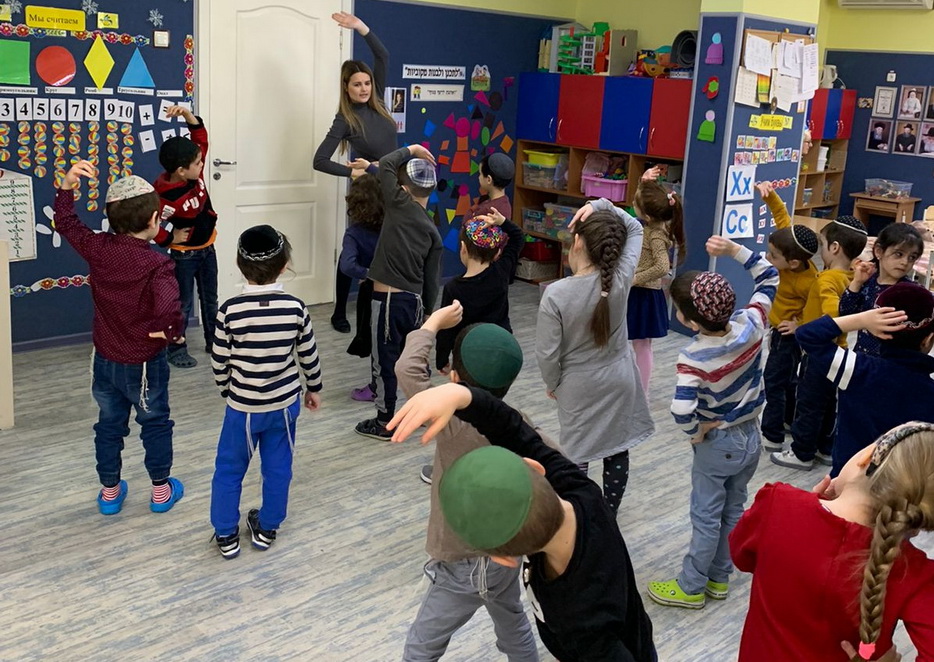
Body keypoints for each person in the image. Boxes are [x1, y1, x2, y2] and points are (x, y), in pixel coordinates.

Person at [387, 383, 657, 662]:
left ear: (502, 558)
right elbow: (510, 428)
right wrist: (460, 395)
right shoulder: (579, 488)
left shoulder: (581, 624)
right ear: (535, 466)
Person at [394, 309, 539, 662]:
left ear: (455, 380)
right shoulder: (519, 426)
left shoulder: (454, 423)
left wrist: (432, 323)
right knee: (513, 625)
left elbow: (407, 369)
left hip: (464, 564)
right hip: (508, 555)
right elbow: (558, 464)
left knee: (421, 646)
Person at [648, 235, 779, 609]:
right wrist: (734, 251)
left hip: (717, 444)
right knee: (733, 510)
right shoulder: (752, 322)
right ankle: (720, 578)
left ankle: (691, 586)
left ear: (689, 321)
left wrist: (695, 432)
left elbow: (681, 408)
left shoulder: (693, 357)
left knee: (706, 516)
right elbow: (769, 276)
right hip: (751, 437)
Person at [731, 422, 934, 662]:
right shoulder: (915, 572)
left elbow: (740, 556)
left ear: (866, 458)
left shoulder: (776, 504)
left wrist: (808, 503)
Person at [55, 161, 185, 515]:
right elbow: (171, 310)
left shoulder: (97, 248)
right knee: (154, 423)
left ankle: (110, 492)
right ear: (155, 220)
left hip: (106, 360)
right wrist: (171, 331)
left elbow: (66, 223)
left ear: (112, 219)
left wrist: (67, 185)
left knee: (109, 426)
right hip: (145, 365)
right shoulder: (157, 264)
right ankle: (161, 492)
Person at [209, 225, 322, 558]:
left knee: (229, 469)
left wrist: (228, 391)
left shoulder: (229, 310)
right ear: (284, 266)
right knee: (278, 468)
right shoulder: (296, 308)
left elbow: (219, 360)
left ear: (239, 263)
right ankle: (267, 528)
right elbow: (308, 354)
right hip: (284, 405)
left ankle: (226, 534)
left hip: (242, 408)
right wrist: (313, 388)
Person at [536, 198, 654, 514]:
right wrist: (602, 205)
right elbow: (635, 226)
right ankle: (609, 513)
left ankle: (583, 514)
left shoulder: (556, 294)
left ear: (577, 243)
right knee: (617, 449)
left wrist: (553, 383)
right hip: (620, 379)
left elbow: (547, 353)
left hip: (577, 386)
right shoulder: (621, 276)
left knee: (578, 454)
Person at [314, 11, 398, 334]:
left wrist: (360, 27)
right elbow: (319, 160)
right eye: (357, 84)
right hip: (368, 193)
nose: (363, 89)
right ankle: (339, 311)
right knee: (356, 250)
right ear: (346, 88)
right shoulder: (345, 119)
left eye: (366, 83)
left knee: (388, 244)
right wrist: (352, 175)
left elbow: (383, 55)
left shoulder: (379, 101)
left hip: (392, 184)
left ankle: (381, 300)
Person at [796, 284, 934, 476]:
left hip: (847, 482)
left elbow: (807, 334)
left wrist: (861, 320)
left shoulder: (856, 369)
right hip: (901, 489)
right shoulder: (929, 391)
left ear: (875, 331)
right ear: (928, 340)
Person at [354, 144, 442, 441]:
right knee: (413, 361)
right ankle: (423, 412)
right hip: (414, 304)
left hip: (388, 301)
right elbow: (432, 279)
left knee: (384, 362)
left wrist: (412, 149)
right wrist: (428, 312)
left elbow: (388, 164)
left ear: (403, 190)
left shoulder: (399, 204)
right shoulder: (432, 229)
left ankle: (384, 420)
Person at [772, 216, 867, 471]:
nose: (821, 250)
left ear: (834, 248)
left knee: (808, 403)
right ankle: (825, 449)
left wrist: (801, 327)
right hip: (840, 352)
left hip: (819, 353)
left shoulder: (826, 279)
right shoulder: (851, 277)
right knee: (828, 402)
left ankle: (801, 453)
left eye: (823, 244)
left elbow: (832, 316)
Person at [756, 182, 820, 452]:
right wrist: (770, 195)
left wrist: (799, 325)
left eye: (773, 256)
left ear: (793, 263)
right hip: (778, 330)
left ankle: (772, 435)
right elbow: (782, 216)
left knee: (774, 381)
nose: (767, 257)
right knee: (787, 379)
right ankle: (787, 420)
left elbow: (818, 310)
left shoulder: (808, 281)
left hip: (788, 335)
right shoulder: (790, 250)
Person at [154, 104, 217, 369]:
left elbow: (200, 138)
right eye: (198, 163)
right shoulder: (165, 197)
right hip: (184, 256)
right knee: (182, 304)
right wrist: (170, 239)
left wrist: (188, 116)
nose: (202, 164)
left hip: (208, 248)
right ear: (181, 170)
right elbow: (150, 224)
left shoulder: (194, 173)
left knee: (210, 299)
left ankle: (215, 341)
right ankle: (176, 348)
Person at [628, 167, 686, 393]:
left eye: (635, 203)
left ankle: (641, 393)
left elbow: (662, 266)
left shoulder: (655, 234)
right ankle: (635, 388)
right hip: (640, 292)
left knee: (642, 345)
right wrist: (643, 182)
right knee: (638, 343)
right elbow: (641, 204)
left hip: (644, 295)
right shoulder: (652, 224)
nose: (633, 205)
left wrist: (635, 278)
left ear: (648, 215)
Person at [839, 222, 924, 356]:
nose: (905, 262)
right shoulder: (868, 282)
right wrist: (857, 282)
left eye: (912, 257)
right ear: (879, 251)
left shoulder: (911, 292)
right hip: (863, 360)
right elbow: (845, 312)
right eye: (898, 254)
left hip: (893, 362)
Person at [339, 174, 384, 402]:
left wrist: (368, 274)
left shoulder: (354, 234)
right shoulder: (395, 226)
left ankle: (377, 386)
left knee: (376, 340)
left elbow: (347, 265)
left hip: (372, 292)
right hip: (401, 288)